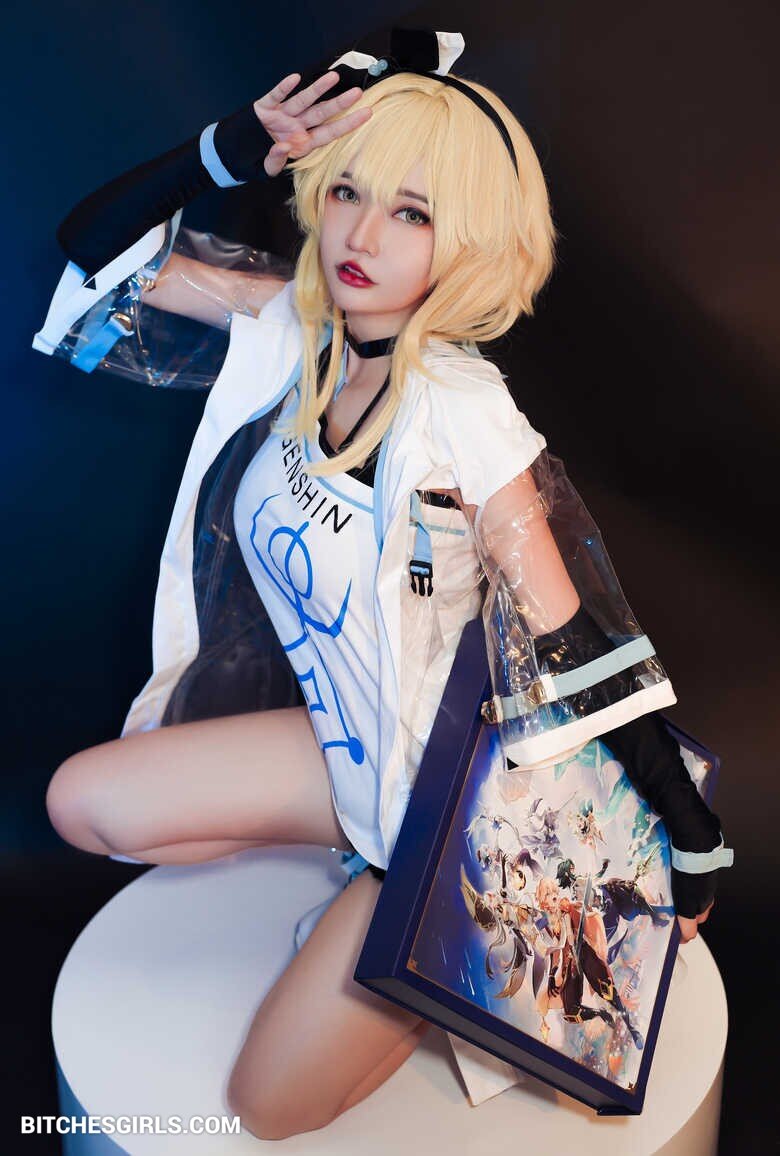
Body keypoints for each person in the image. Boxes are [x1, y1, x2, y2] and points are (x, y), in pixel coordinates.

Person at [35, 28, 732, 1139]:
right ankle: (353, 901)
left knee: (265, 1107)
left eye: (414, 212)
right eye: (349, 192)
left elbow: (577, 643)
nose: (363, 234)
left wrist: (686, 830)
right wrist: (225, 150)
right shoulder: (296, 331)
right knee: (79, 804)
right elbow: (96, 252)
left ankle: (416, 977)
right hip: (344, 753)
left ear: (470, 241)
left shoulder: (463, 413)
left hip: (440, 817)